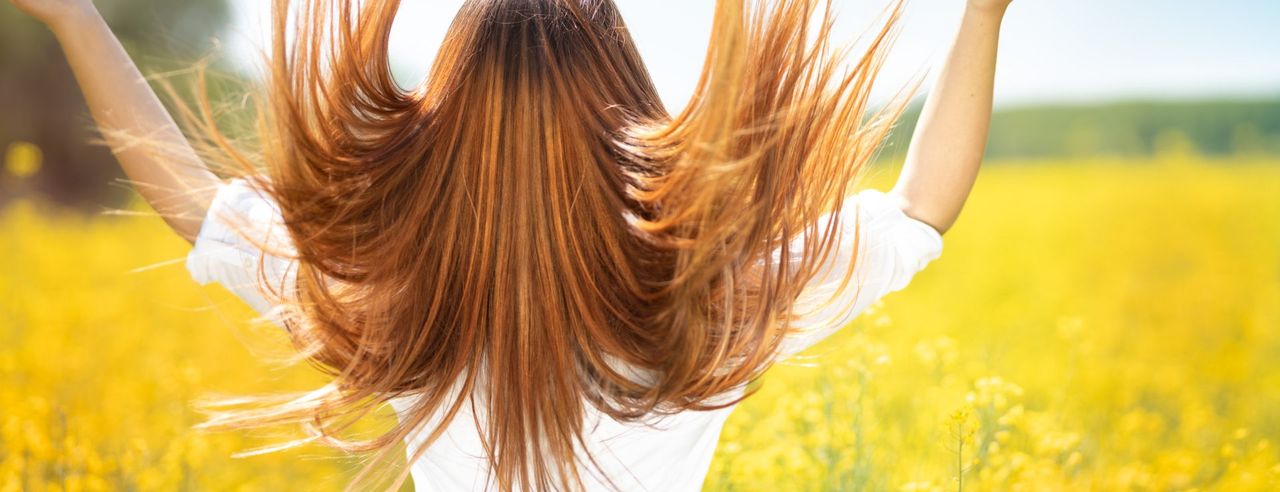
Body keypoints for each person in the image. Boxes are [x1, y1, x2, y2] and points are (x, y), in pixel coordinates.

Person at [8, 0, 1012, 489]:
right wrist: (983, 12)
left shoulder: (404, 298)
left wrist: (77, 19)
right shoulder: (702, 301)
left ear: (447, 134)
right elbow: (921, 208)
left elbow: (193, 204)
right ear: (626, 109)